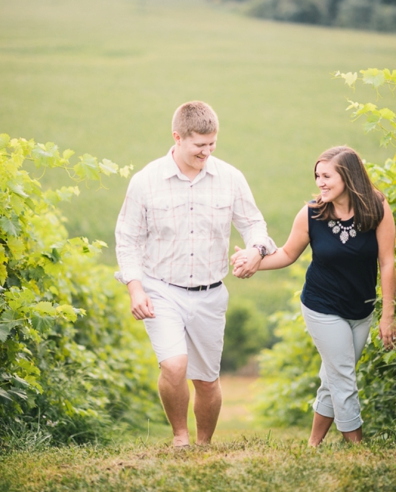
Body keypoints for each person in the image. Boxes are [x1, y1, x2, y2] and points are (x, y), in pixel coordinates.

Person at [115, 100, 277, 447]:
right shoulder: (145, 181)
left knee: (205, 380)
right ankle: (180, 437)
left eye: (212, 144)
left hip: (210, 292)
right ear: (177, 137)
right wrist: (135, 288)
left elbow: (254, 224)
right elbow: (126, 240)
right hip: (160, 288)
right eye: (199, 145)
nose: (207, 152)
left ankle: (203, 444)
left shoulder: (230, 178)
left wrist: (256, 249)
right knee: (173, 366)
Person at [231, 145, 396, 446]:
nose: (320, 182)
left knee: (333, 376)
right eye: (317, 176)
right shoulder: (311, 214)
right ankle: (357, 447)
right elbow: (286, 254)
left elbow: (387, 262)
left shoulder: (377, 207)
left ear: (348, 176)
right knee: (344, 374)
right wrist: (253, 261)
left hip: (361, 309)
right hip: (321, 306)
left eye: (327, 176)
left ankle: (313, 444)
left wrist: (388, 314)